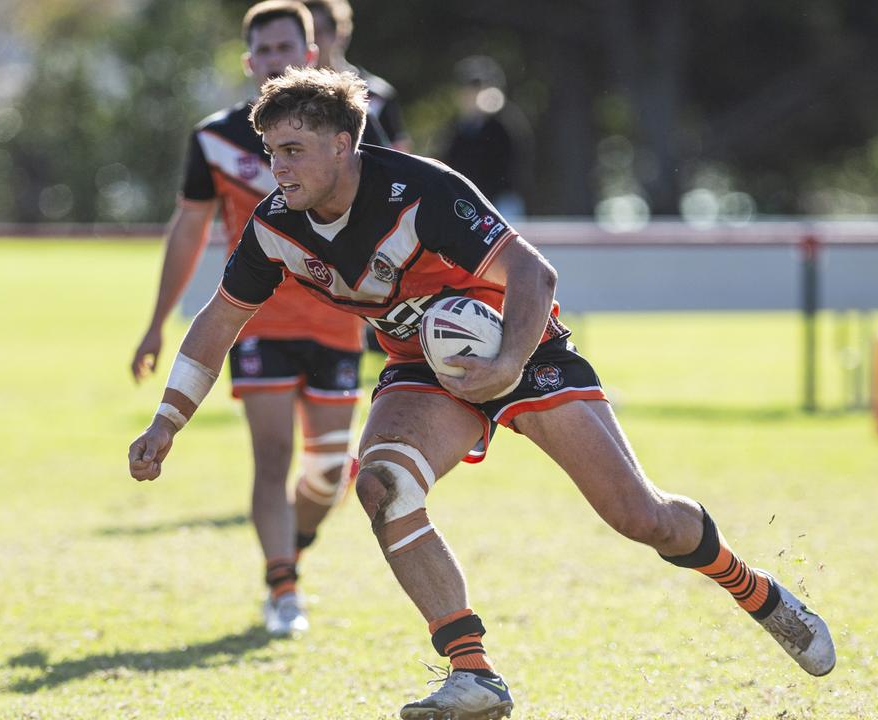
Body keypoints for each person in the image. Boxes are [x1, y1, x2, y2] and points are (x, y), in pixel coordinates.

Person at [128, 67, 835, 719]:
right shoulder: (275, 226)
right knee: (381, 486)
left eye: (294, 149)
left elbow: (536, 277)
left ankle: (758, 593)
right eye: (271, 152)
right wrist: (168, 420)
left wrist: (504, 365)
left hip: (522, 347)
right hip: (421, 369)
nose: (278, 169)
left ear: (344, 145)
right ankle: (474, 672)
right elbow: (219, 320)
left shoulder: (423, 190)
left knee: (642, 517)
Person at [130, 0, 389, 637]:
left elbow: (391, 218)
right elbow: (188, 230)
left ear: (311, 53)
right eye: (263, 52)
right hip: (255, 323)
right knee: (271, 455)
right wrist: (158, 319)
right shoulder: (213, 138)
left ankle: (290, 550)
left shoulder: (351, 131)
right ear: (249, 62)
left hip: (335, 324)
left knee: (328, 475)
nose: (275, 61)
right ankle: (283, 584)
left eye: (287, 49)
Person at [302, 0, 410, 151]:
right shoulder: (291, 97)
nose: (311, 41)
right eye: (305, 34)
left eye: (317, 32)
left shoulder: (377, 94)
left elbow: (398, 158)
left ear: (339, 33)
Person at [440, 55, 533, 219]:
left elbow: (513, 167)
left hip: (501, 202)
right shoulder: (457, 130)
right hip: (468, 201)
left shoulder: (504, 125)